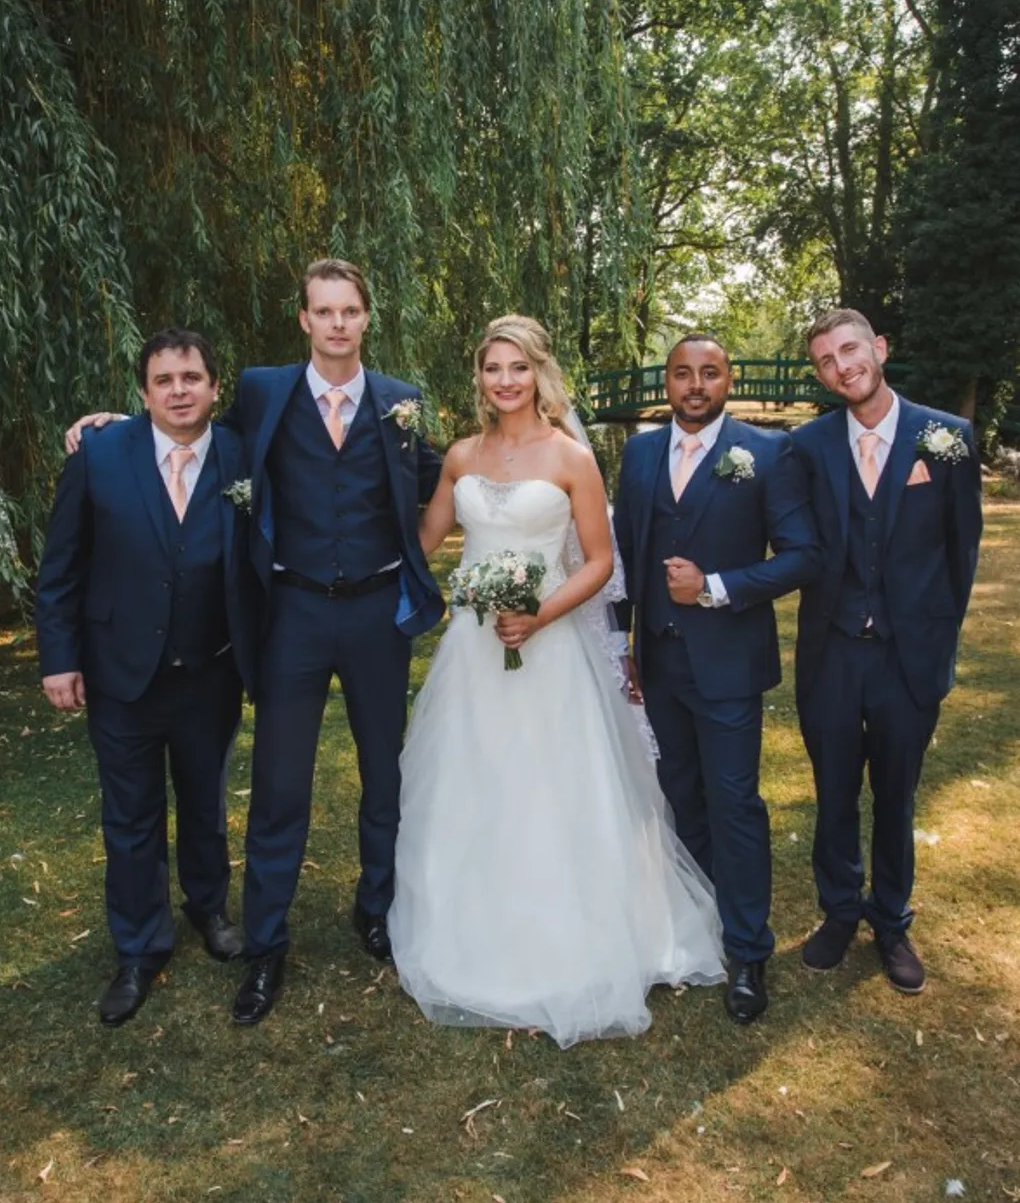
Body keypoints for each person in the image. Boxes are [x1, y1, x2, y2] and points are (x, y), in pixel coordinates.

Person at [65, 259, 443, 1026]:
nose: (337, 323)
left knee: (385, 774)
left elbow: (444, 474)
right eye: (323, 311)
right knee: (279, 785)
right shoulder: (266, 391)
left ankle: (377, 907)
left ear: (367, 318)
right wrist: (116, 424)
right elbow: (191, 427)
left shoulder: (400, 402)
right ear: (303, 319)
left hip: (376, 616)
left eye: (349, 310)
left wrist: (520, 451)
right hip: (293, 614)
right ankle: (266, 942)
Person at [389, 315, 723, 1047]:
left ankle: (574, 939)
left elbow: (600, 561)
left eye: (517, 367)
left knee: (551, 786)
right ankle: (471, 931)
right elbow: (424, 540)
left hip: (551, 648)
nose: (504, 380)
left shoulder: (571, 457)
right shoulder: (462, 456)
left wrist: (539, 615)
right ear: (479, 377)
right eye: (492, 368)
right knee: (472, 782)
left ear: (539, 372)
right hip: (474, 652)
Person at [35, 328, 260, 1026]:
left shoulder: (245, 454)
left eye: (191, 378)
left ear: (215, 387)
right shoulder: (100, 454)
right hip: (121, 673)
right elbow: (61, 567)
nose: (179, 391)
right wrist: (59, 658)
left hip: (211, 670)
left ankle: (209, 909)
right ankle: (138, 947)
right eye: (164, 380)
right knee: (130, 815)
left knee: (204, 802)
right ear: (143, 392)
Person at [611, 334, 819, 1025]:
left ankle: (749, 948)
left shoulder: (767, 452)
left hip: (728, 664)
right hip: (658, 661)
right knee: (680, 798)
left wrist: (715, 587)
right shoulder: (640, 454)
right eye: (682, 373)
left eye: (709, 373)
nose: (695, 385)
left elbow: (801, 555)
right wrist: (620, 642)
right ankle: (695, 925)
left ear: (728, 380)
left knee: (734, 804)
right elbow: (625, 553)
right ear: (666, 382)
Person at [788, 307, 983, 995]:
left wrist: (937, 640)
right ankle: (840, 911)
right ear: (820, 375)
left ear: (879, 347)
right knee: (835, 792)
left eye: (850, 350)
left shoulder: (946, 437)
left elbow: (962, 551)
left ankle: (892, 921)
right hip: (833, 654)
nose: (842, 367)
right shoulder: (806, 446)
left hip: (908, 656)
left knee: (896, 795)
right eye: (826, 361)